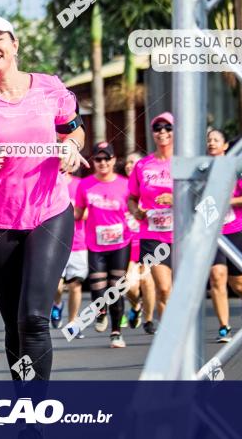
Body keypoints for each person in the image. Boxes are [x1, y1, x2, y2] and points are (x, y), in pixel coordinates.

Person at [0, 14, 86, 380]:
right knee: (14, 324)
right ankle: (25, 408)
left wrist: (72, 148)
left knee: (33, 319)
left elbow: (74, 132)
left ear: (14, 44)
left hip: (50, 212)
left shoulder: (49, 87)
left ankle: (35, 416)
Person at [74, 142, 131, 348]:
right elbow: (78, 213)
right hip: (95, 245)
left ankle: (116, 333)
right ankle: (101, 311)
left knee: (116, 288)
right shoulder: (85, 184)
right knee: (98, 289)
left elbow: (133, 206)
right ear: (93, 162)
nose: (103, 163)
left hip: (121, 243)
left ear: (114, 160)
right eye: (98, 159)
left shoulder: (125, 184)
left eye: (107, 158)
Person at [206, 128, 242, 343]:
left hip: (237, 230)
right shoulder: (201, 169)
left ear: (225, 145)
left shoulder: (237, 169)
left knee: (239, 284)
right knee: (217, 277)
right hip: (212, 233)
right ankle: (224, 328)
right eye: (208, 140)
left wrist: (226, 201)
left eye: (216, 140)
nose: (211, 143)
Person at [128, 113, 174, 333]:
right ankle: (170, 338)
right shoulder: (143, 165)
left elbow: (200, 195)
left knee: (181, 290)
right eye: (157, 128)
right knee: (164, 289)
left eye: (167, 128)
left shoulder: (184, 163)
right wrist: (135, 211)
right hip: (153, 234)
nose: (162, 132)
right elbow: (132, 198)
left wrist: (175, 199)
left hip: (182, 234)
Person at [52, 169, 88, 336]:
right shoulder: (49, 180)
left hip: (77, 243)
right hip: (53, 243)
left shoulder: (80, 184)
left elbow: (87, 212)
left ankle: (73, 323)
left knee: (75, 285)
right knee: (55, 286)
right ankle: (57, 304)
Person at [123, 152, 155, 332]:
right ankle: (136, 307)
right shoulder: (119, 185)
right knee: (131, 286)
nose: (130, 166)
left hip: (148, 241)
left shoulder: (151, 187)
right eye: (128, 162)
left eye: (134, 163)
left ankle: (149, 320)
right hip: (128, 246)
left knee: (148, 282)